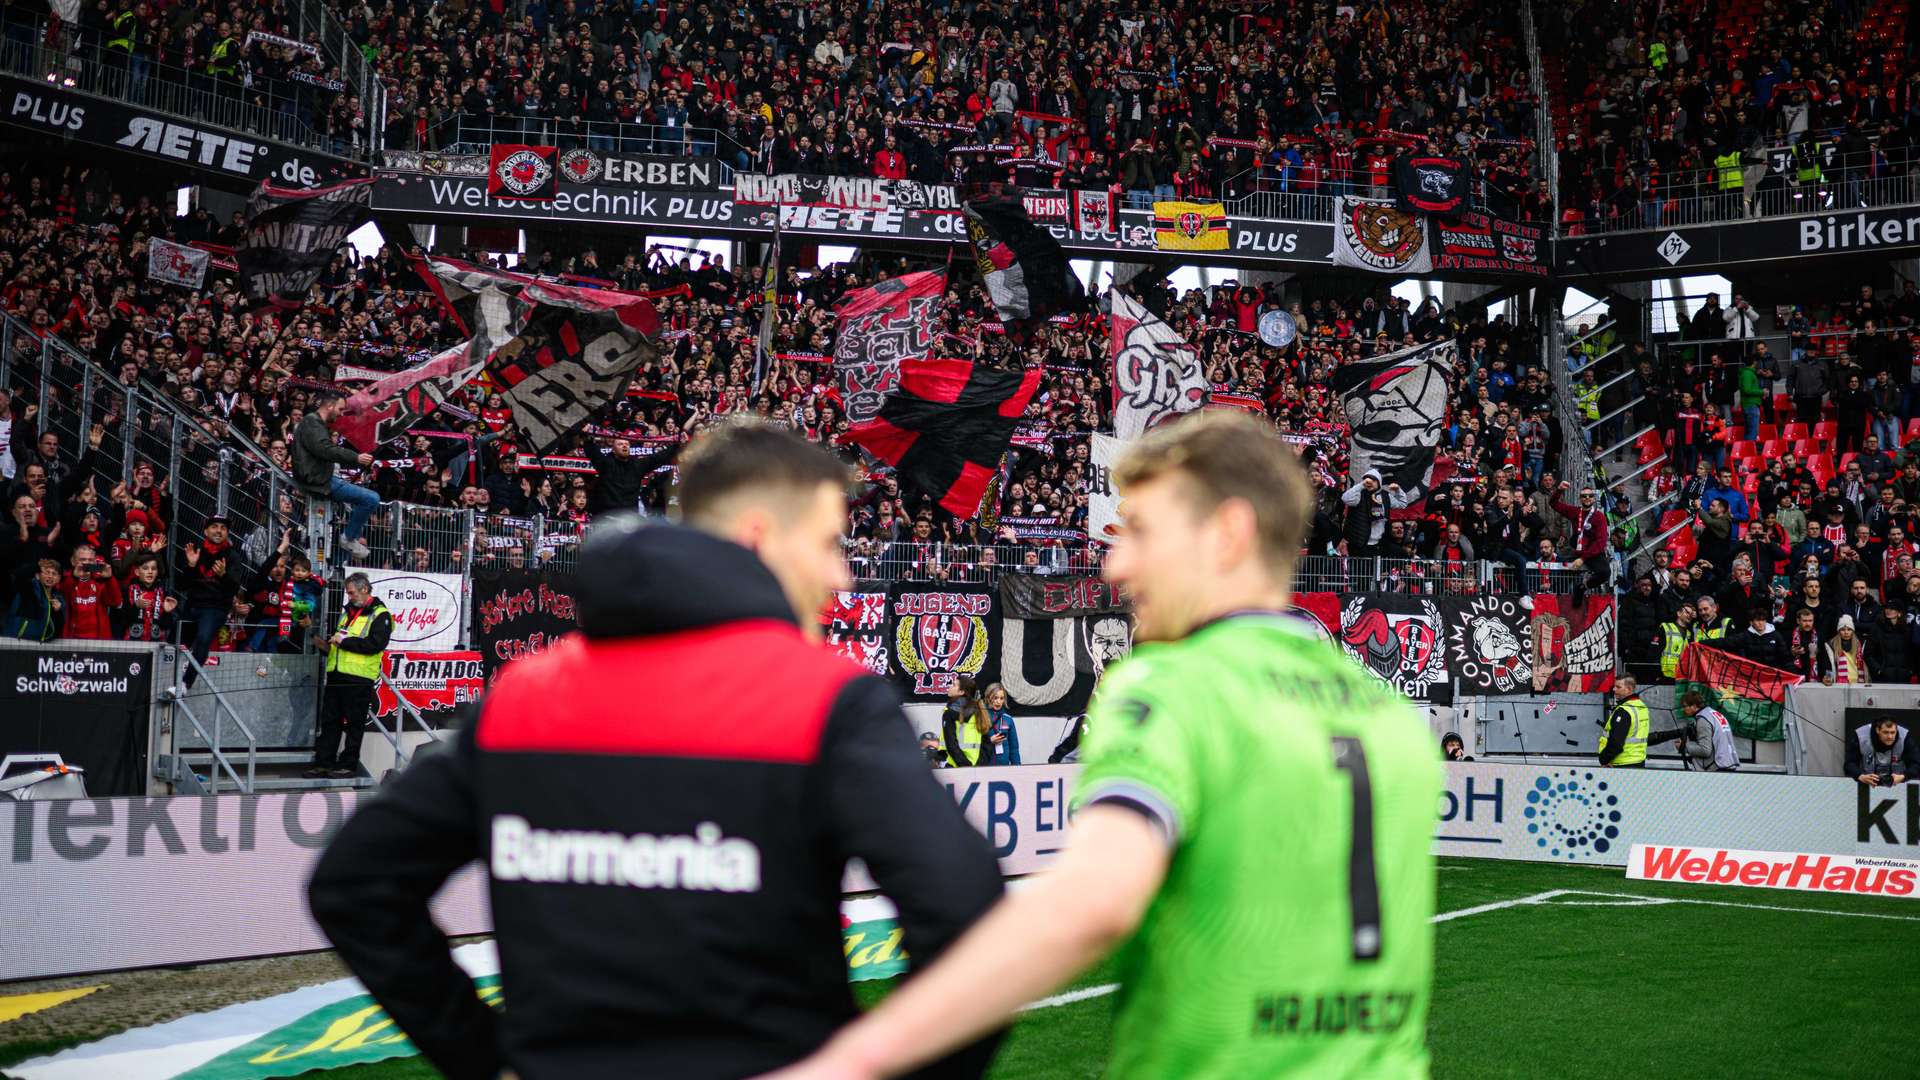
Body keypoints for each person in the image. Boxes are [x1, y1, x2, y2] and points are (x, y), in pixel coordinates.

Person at [308, 421, 1003, 1080]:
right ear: (760, 539)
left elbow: (355, 885)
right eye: (828, 544)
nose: (841, 578)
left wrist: (482, 1057)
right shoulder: (824, 696)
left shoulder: (526, 694)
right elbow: (965, 911)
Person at [767, 411, 1442, 1080]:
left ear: (1227, 534)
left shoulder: (1174, 684)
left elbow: (1096, 899)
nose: (1117, 564)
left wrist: (854, 1060)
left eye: (1142, 532)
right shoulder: (1386, 712)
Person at [307, 572, 392, 779]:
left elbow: (375, 645)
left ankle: (348, 765)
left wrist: (343, 643)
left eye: (352, 592)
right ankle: (324, 763)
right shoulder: (347, 613)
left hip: (359, 678)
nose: (349, 596)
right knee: (329, 721)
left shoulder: (380, 614)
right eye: (347, 593)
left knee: (354, 724)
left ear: (365, 589)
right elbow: (340, 643)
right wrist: (323, 645)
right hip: (336, 674)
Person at [295, 390, 380, 560]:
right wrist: (356, 457)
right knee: (371, 499)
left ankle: (345, 547)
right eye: (340, 409)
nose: (341, 414)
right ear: (330, 405)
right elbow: (324, 449)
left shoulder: (316, 424)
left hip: (322, 479)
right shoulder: (312, 422)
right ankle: (348, 539)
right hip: (319, 481)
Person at [1650, 691, 1739, 772]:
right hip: (1728, 763)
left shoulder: (1703, 720)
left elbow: (1705, 750)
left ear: (1694, 706)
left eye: (1685, 706)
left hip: (1719, 767)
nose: (1683, 709)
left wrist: (1684, 746)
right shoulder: (1713, 714)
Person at [1844, 715, 1920, 785]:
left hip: (1897, 784)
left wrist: (1904, 776)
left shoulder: (1904, 736)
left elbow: (1916, 764)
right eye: (1885, 732)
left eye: (1893, 732)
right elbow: (1849, 764)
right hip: (1867, 783)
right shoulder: (1861, 736)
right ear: (1877, 730)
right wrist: (1860, 776)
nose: (1890, 736)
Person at [1597, 675, 1651, 767]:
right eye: (1614, 686)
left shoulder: (1624, 710)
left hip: (1621, 764)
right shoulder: (1641, 706)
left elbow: (1616, 743)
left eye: (1618, 687)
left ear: (1629, 689)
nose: (1614, 689)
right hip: (1638, 761)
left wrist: (1603, 760)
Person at [941, 674, 989, 767]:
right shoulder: (979, 709)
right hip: (976, 767)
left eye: (954, 685)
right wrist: (979, 765)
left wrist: (966, 766)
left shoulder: (949, 712)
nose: (949, 686)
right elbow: (987, 744)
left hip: (957, 767)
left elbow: (951, 744)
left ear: (961, 692)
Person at [980, 683, 1020, 765]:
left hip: (1004, 767)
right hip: (984, 766)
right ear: (988, 697)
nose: (998, 701)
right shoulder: (980, 717)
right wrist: (990, 741)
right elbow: (973, 744)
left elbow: (1014, 748)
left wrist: (1017, 767)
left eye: (1001, 698)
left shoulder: (1008, 719)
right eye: (995, 698)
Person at [1824, 615, 1869, 685]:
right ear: (1839, 631)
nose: (1846, 632)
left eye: (1849, 629)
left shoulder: (1860, 644)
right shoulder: (1831, 645)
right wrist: (1828, 677)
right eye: (1842, 629)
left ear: (1853, 631)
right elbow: (1828, 666)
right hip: (1839, 684)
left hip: (1858, 683)